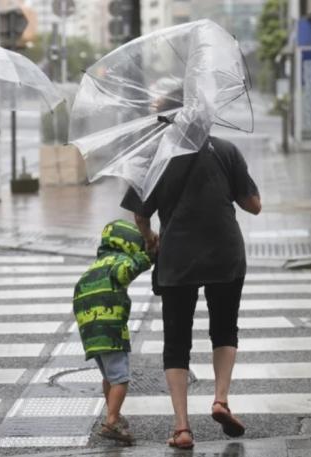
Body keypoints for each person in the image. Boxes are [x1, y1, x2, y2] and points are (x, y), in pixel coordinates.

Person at [121, 136, 261, 449]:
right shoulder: (226, 149)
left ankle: (182, 428)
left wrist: (150, 237)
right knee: (225, 329)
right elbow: (253, 206)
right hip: (225, 252)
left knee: (176, 340)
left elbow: (141, 215)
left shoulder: (155, 154)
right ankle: (221, 401)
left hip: (178, 257)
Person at [73, 219, 153, 445]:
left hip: (90, 331)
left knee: (108, 376)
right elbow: (124, 272)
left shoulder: (96, 265)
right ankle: (111, 420)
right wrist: (148, 258)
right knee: (121, 378)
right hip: (110, 329)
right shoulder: (119, 260)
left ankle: (113, 413)